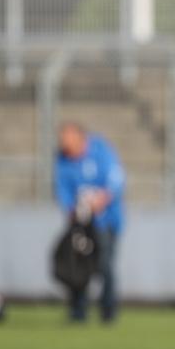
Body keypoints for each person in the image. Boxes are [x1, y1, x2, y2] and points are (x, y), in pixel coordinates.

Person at [54, 122, 126, 323]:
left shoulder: (101, 150)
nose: (64, 143)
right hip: (80, 223)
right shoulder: (62, 159)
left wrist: (102, 199)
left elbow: (116, 179)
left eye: (67, 138)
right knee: (76, 264)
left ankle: (108, 310)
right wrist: (73, 210)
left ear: (79, 137)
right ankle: (78, 310)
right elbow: (62, 190)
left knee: (104, 265)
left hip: (106, 221)